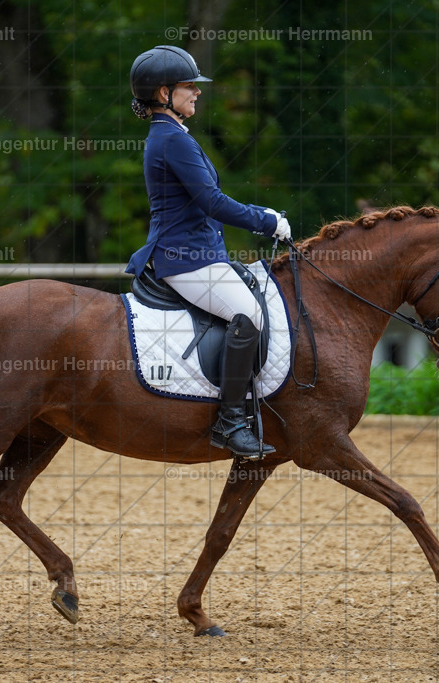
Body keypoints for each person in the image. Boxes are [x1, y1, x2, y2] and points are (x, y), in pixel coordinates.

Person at [126, 45, 292, 460]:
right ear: (164, 93)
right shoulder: (170, 140)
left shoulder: (174, 135)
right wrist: (266, 221)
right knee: (250, 316)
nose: (197, 93)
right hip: (184, 258)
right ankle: (231, 421)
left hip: (200, 253)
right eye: (188, 87)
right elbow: (212, 202)